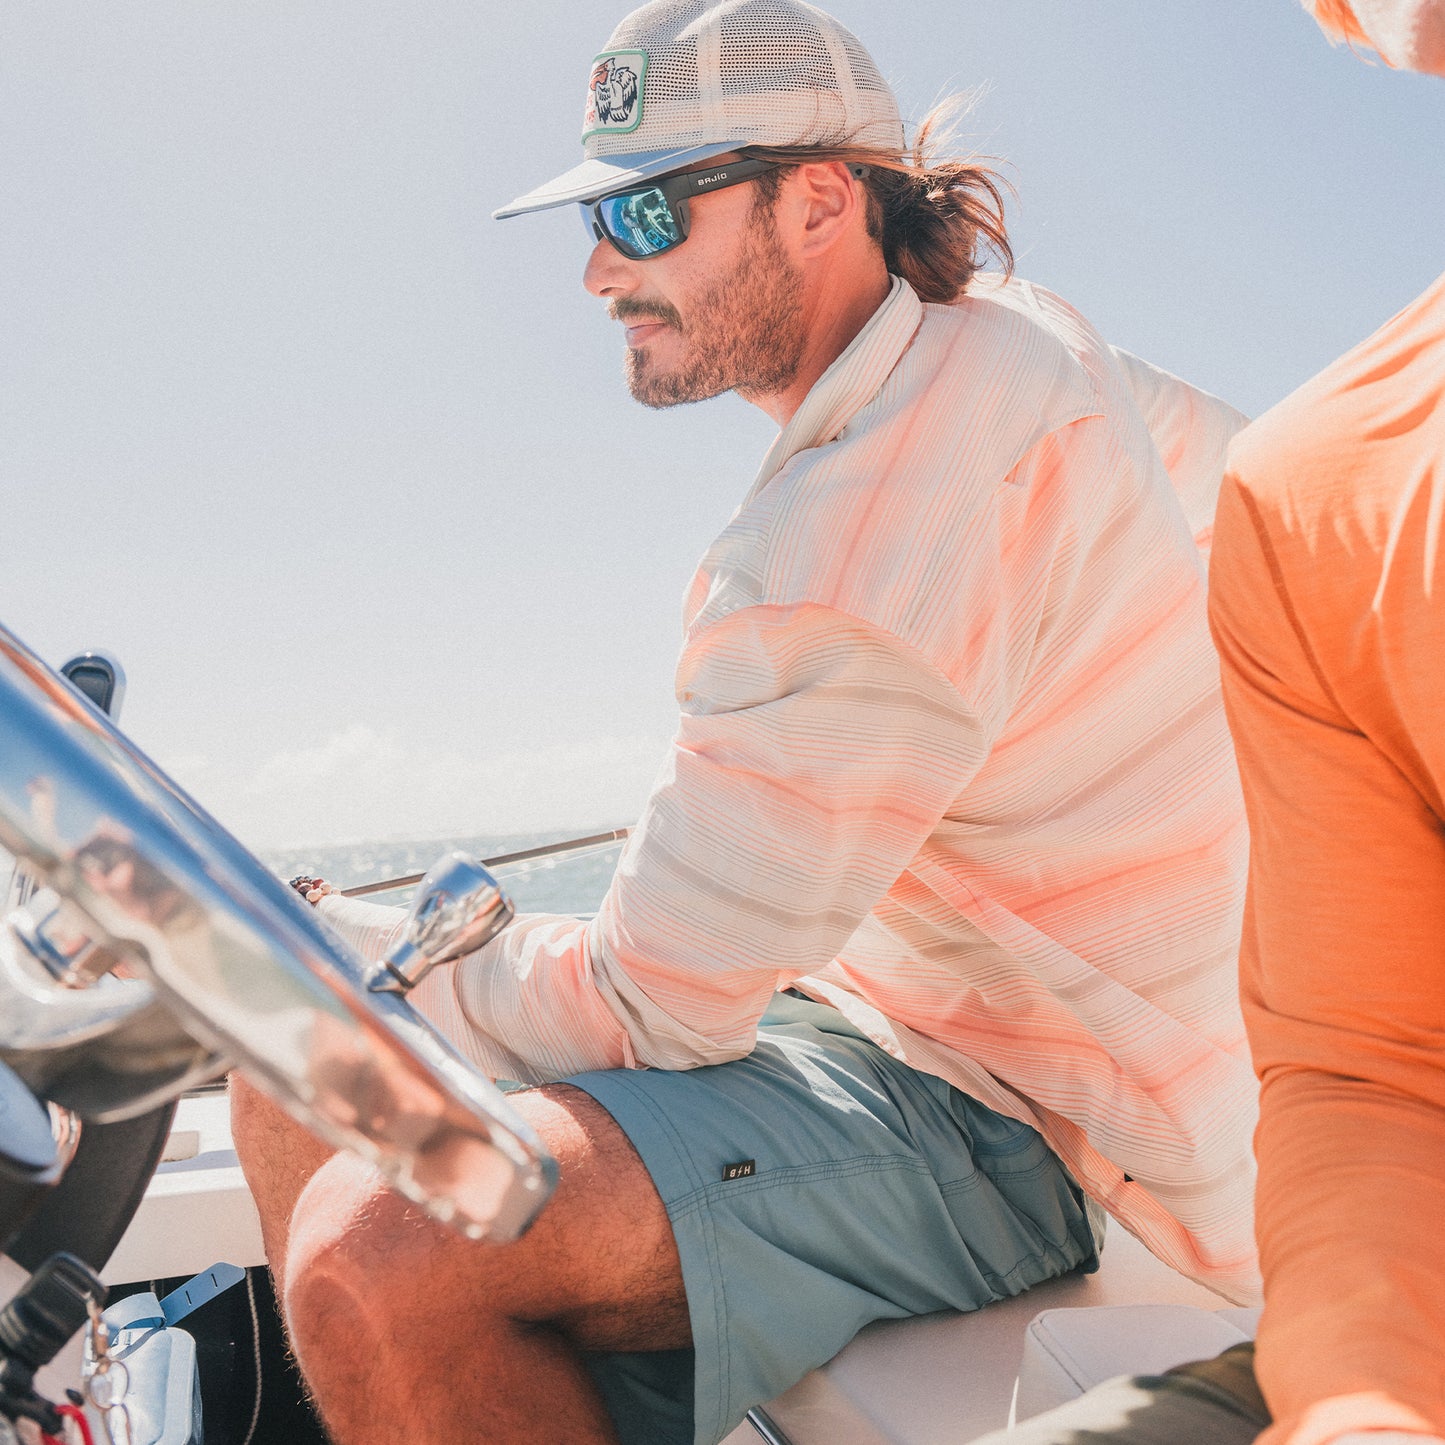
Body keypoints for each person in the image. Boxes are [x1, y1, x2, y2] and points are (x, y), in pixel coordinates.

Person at [231, 2, 1262, 1441]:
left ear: (820, 201)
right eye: (594, 219)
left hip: (1044, 1121)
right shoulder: (1021, 342)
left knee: (380, 1241)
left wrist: (357, 949)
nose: (599, 270)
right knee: (300, 1071)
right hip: (888, 1012)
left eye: (647, 213)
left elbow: (651, 1006)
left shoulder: (849, 542)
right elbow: (1254, 488)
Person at [966, 3, 1445, 1443]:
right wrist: (1364, 1408)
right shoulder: (1310, 496)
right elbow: (1375, 1079)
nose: (613, 267)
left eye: (654, 212)